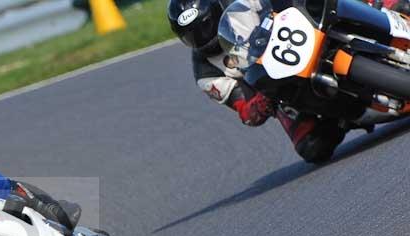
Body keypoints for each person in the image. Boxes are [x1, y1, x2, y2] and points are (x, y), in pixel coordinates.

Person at [167, 0, 409, 163]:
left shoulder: (242, 6)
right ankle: (348, 113)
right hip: (277, 85)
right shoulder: (206, 73)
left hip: (300, 32)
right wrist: (259, 105)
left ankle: (383, 11)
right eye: (192, 36)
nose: (202, 38)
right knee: (313, 146)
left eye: (206, 26)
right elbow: (243, 107)